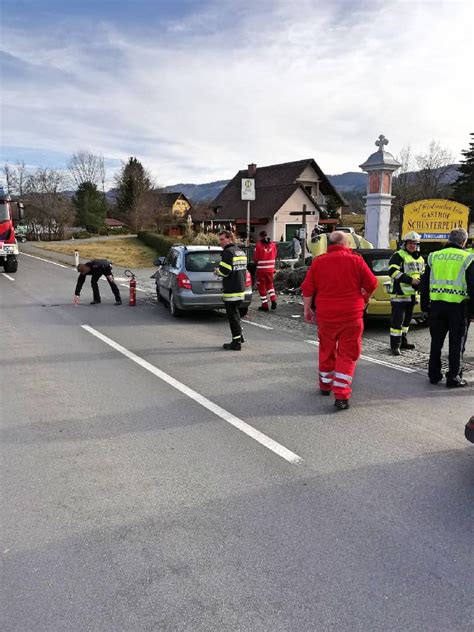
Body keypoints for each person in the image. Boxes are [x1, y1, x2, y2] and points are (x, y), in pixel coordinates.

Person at [301, 231, 377, 410]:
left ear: (328, 243)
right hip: (351, 315)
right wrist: (365, 297)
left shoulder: (319, 262)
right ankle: (341, 395)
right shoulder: (356, 260)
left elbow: (308, 289)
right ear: (347, 242)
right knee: (347, 353)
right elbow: (372, 283)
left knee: (326, 348)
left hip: (326, 315)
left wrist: (307, 310)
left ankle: (325, 385)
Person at [420, 228, 474, 388]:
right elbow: (473, 287)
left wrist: (424, 305)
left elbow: (425, 283)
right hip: (458, 307)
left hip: (436, 305)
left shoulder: (433, 256)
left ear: (449, 239)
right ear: (463, 242)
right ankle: (453, 377)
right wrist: (472, 311)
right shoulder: (468, 258)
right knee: (456, 344)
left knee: (436, 342)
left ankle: (434, 374)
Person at [388, 231, 425, 356]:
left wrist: (421, 282)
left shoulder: (420, 258)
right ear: (405, 244)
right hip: (399, 295)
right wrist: (410, 280)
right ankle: (394, 346)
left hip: (412, 295)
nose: (412, 246)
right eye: (410, 243)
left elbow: (422, 273)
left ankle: (403, 341)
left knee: (407, 322)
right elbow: (393, 271)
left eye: (414, 243)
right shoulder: (398, 255)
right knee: (396, 323)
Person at [215, 230, 247, 350]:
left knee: (232, 316)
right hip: (241, 287)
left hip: (231, 289)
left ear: (229, 239)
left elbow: (225, 271)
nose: (220, 242)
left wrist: (217, 271)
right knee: (236, 313)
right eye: (220, 240)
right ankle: (239, 337)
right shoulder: (240, 251)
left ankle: (236, 342)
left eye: (222, 239)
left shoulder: (228, 252)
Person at [253, 230, 277, 311]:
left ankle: (265, 305)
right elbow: (275, 254)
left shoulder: (258, 245)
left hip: (261, 270)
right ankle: (273, 300)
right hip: (270, 269)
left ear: (260, 236)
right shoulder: (273, 244)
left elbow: (256, 258)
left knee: (262, 287)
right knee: (270, 285)